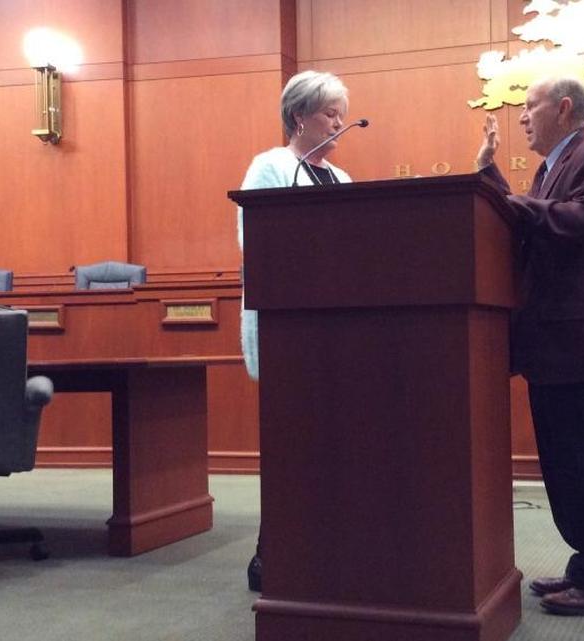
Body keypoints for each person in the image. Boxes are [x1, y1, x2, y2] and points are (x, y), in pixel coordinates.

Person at [475, 76, 584, 616]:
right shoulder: (549, 169)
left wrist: (510, 201)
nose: (522, 117)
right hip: (555, 345)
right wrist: (491, 177)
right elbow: (530, 225)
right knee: (566, 470)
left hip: (578, 344)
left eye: (530, 106)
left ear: (564, 108)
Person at [235, 70, 354, 592]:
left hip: (336, 327)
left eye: (342, 113)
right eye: (330, 113)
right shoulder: (270, 167)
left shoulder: (342, 177)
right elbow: (257, 243)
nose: (339, 122)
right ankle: (273, 555)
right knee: (291, 444)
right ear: (299, 116)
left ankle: (327, 547)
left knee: (329, 443)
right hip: (288, 328)